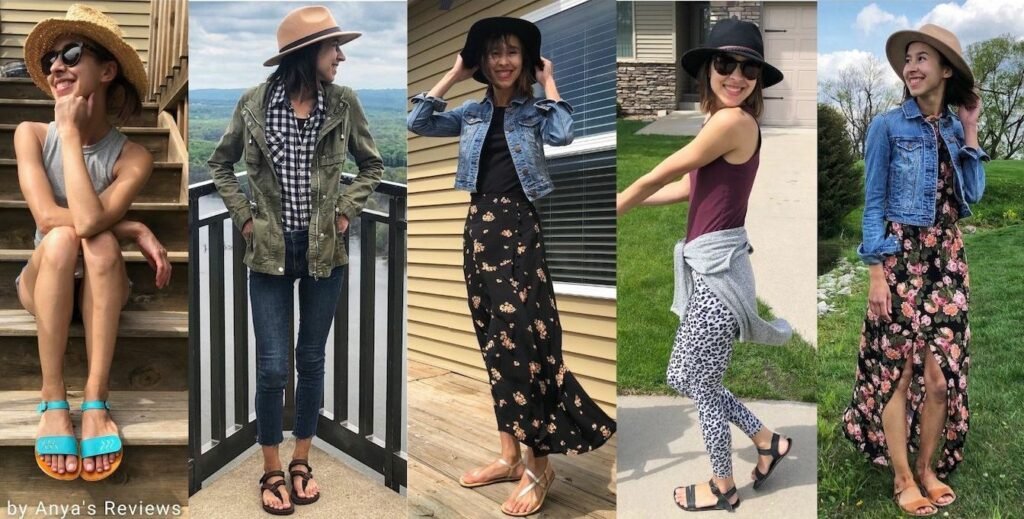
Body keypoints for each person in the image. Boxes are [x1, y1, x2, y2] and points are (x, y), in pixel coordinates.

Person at [407, 16, 616, 517]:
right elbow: (417, 121)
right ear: (482, 61)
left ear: (526, 60)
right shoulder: (471, 114)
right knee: (494, 342)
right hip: (478, 229)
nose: (503, 60)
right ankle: (508, 455)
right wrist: (454, 73)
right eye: (494, 52)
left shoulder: (535, 111)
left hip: (519, 229)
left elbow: (564, 133)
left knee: (526, 343)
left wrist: (549, 82)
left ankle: (539, 466)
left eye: (512, 52)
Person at [207, 5, 382, 515]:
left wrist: (347, 211)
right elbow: (221, 164)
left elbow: (371, 165)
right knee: (270, 368)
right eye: (334, 48)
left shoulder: (344, 104)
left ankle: (301, 460)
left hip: (325, 252)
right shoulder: (253, 104)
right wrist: (243, 218)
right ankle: (270, 468)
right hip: (268, 254)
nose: (342, 57)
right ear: (309, 54)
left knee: (310, 361)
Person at [616, 19, 794, 512]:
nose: (737, 76)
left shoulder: (733, 122)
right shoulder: (722, 123)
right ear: (708, 68)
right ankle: (767, 441)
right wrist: (642, 204)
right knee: (684, 375)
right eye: (726, 63)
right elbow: (690, 187)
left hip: (718, 277)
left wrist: (622, 201)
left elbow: (668, 167)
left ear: (758, 78)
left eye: (749, 68)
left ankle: (723, 485)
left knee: (704, 388)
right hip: (710, 268)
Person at [15, 4, 172, 482]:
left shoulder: (134, 156)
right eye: (50, 62)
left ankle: (96, 400)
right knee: (64, 240)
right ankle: (54, 399)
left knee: (96, 245)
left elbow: (87, 222)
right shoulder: (31, 133)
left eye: (72, 54)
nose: (56, 67)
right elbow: (48, 218)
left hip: (103, 288)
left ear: (106, 71)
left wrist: (72, 133)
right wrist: (129, 226)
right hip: (44, 277)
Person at [842, 24, 986, 517]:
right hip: (899, 257)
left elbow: (974, 195)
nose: (913, 66)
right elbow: (873, 203)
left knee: (941, 375)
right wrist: (876, 273)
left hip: (946, 260)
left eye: (924, 58)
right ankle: (903, 476)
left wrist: (970, 129)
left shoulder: (951, 128)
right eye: (909, 59)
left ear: (946, 70)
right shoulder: (886, 126)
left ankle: (927, 467)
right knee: (897, 370)